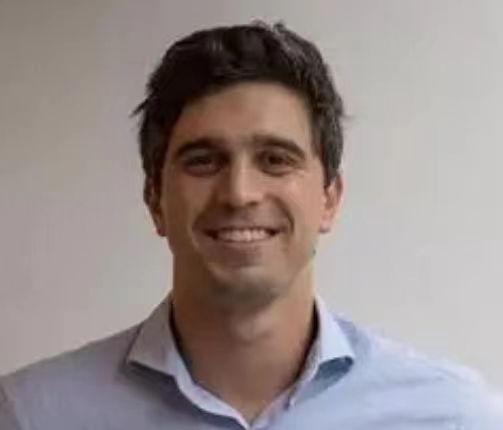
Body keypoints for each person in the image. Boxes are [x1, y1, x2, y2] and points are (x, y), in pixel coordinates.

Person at [1, 21, 502, 430]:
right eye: (203, 161)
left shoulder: (454, 417)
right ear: (155, 200)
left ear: (329, 198)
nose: (239, 193)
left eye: (275, 159)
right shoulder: (30, 415)